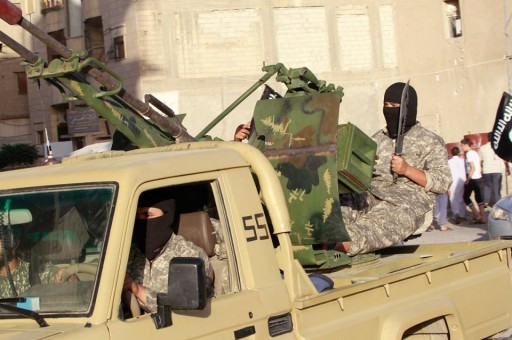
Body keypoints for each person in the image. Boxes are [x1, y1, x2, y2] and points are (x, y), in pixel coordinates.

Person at [334, 82, 452, 255]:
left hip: (409, 199)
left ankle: (348, 242)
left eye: (395, 106)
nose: (389, 110)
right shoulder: (376, 139)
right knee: (344, 199)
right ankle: (329, 235)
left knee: (389, 214)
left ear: (408, 108)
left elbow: (443, 182)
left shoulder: (430, 141)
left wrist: (407, 170)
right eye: (386, 105)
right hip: (374, 193)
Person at [124, 189, 214, 313]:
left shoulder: (189, 256)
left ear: (168, 216)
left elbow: (184, 309)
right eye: (137, 216)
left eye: (147, 215)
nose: (142, 223)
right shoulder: (131, 254)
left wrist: (137, 289)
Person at [460, 138, 487, 223]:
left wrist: (468, 179)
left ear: (466, 145)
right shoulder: (475, 153)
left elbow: (473, 167)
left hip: (473, 178)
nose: (461, 147)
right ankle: (483, 217)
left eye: (462, 146)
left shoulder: (469, 154)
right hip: (478, 177)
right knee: (479, 198)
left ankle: (477, 214)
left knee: (465, 197)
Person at [479, 132, 506, 207]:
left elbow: (480, 160)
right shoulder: (498, 147)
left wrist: (481, 168)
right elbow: (504, 158)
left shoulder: (482, 148)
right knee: (496, 187)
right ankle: (497, 202)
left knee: (487, 186)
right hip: (497, 169)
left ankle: (486, 202)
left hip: (487, 169)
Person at [447, 146, 467, 224]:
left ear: (451, 153)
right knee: (461, 197)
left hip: (453, 181)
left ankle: (456, 213)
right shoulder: (462, 160)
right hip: (462, 180)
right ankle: (462, 214)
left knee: (453, 198)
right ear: (458, 153)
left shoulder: (449, 162)